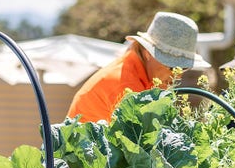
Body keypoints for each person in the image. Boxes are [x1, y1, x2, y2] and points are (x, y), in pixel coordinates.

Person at [66, 11, 210, 123]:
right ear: (148, 53)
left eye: (182, 68)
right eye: (172, 67)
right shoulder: (125, 85)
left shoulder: (142, 76)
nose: (177, 76)